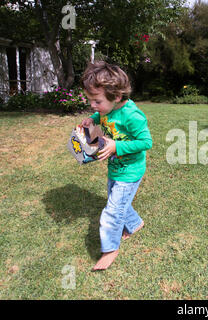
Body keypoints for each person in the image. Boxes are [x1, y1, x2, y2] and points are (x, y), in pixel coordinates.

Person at [79, 61, 153, 271]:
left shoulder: (132, 116)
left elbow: (146, 142)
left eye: (96, 101)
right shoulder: (106, 109)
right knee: (118, 201)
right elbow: (101, 115)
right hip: (115, 168)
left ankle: (110, 249)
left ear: (117, 97)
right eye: (90, 100)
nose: (93, 105)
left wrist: (116, 146)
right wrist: (91, 120)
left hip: (130, 171)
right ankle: (136, 223)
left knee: (112, 210)